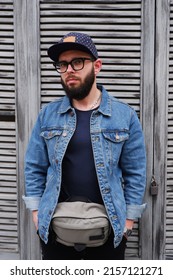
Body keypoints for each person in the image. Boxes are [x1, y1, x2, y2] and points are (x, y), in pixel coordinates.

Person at [23, 32, 146, 260]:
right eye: (62, 64)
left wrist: (128, 222)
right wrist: (37, 213)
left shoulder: (124, 116)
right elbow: (34, 166)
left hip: (110, 228)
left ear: (97, 66)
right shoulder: (47, 115)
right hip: (55, 227)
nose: (69, 70)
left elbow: (135, 172)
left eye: (77, 62)